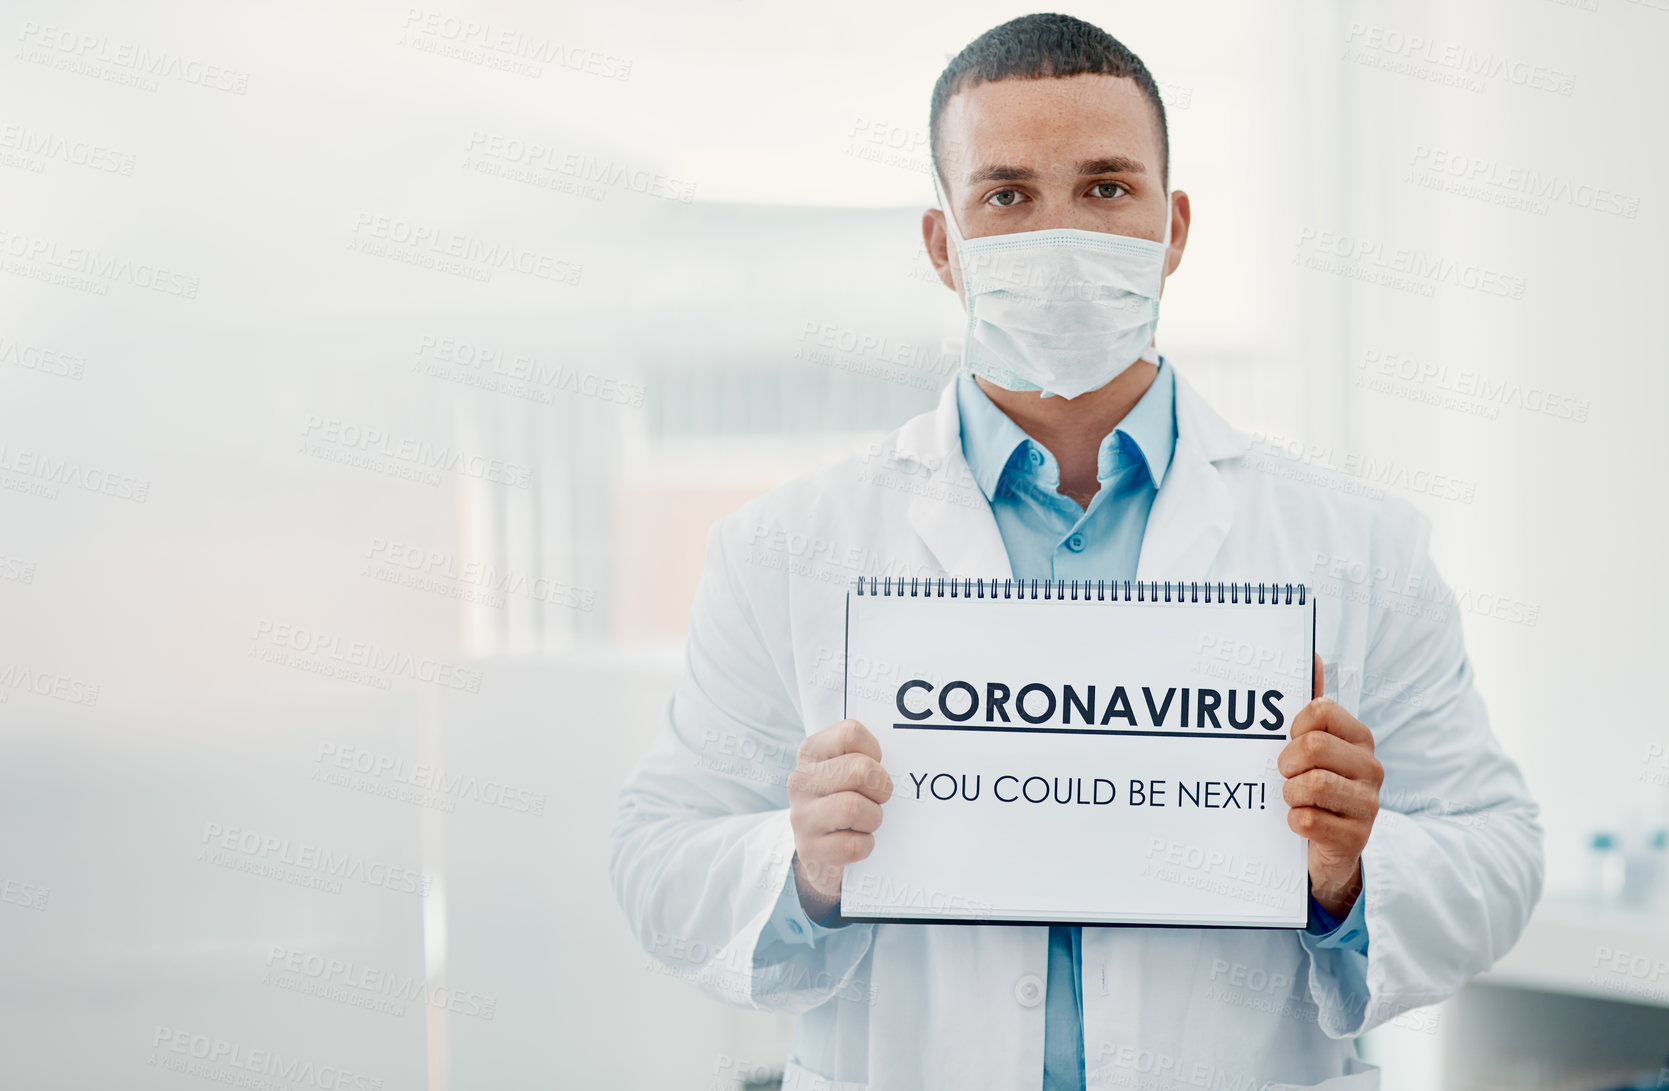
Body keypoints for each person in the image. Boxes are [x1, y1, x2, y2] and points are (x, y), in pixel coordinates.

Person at [611, 14, 1542, 1090]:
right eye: (1005, 195)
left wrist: (1348, 868)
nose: (1059, 235)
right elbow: (657, 853)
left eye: (1105, 188)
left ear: (1173, 226)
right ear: (940, 245)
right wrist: (804, 861)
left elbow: (1497, 851)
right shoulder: (785, 549)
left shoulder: (1356, 548)